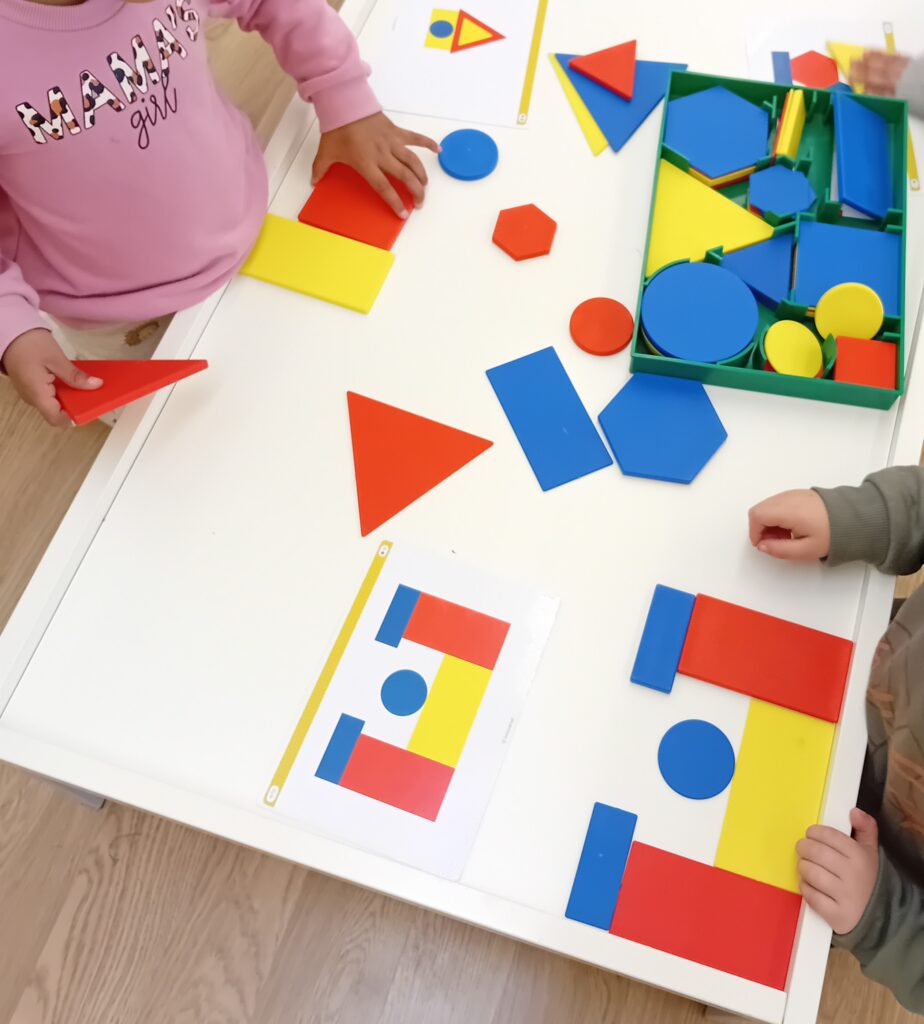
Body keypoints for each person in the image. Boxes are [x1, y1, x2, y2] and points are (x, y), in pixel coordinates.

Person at [0, 0, 438, 426]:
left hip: (247, 219)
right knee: (166, 433)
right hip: (112, 314)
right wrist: (13, 327)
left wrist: (344, 98)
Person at [749, 471, 924, 1013]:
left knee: (771, 894)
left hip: (876, 865)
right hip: (861, 674)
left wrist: (880, 919)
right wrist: (863, 519)